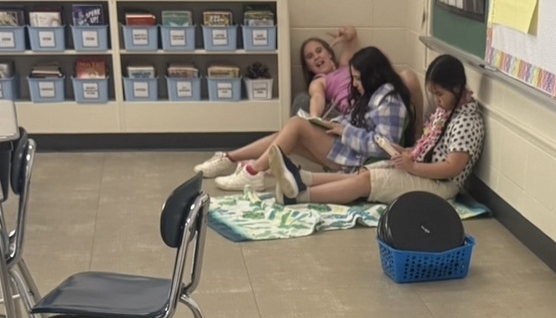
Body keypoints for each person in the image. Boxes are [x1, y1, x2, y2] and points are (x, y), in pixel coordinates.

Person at [193, 28, 424, 181]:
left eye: (319, 51)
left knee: (293, 128)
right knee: (289, 135)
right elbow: (317, 99)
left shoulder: (353, 69)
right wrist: (318, 120)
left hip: (357, 150)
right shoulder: (321, 81)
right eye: (310, 57)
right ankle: (234, 161)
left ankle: (251, 171)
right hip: (347, 134)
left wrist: (345, 36)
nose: (316, 57)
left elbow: (383, 142)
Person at [266, 54, 484, 207]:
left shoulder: (466, 120)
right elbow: (429, 146)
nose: (436, 101)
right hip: (422, 167)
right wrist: (407, 152)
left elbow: (452, 168)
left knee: (366, 181)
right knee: (364, 172)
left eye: (439, 94)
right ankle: (302, 178)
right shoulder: (446, 110)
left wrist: (413, 166)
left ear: (457, 88)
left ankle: (298, 196)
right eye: (433, 95)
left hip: (441, 185)